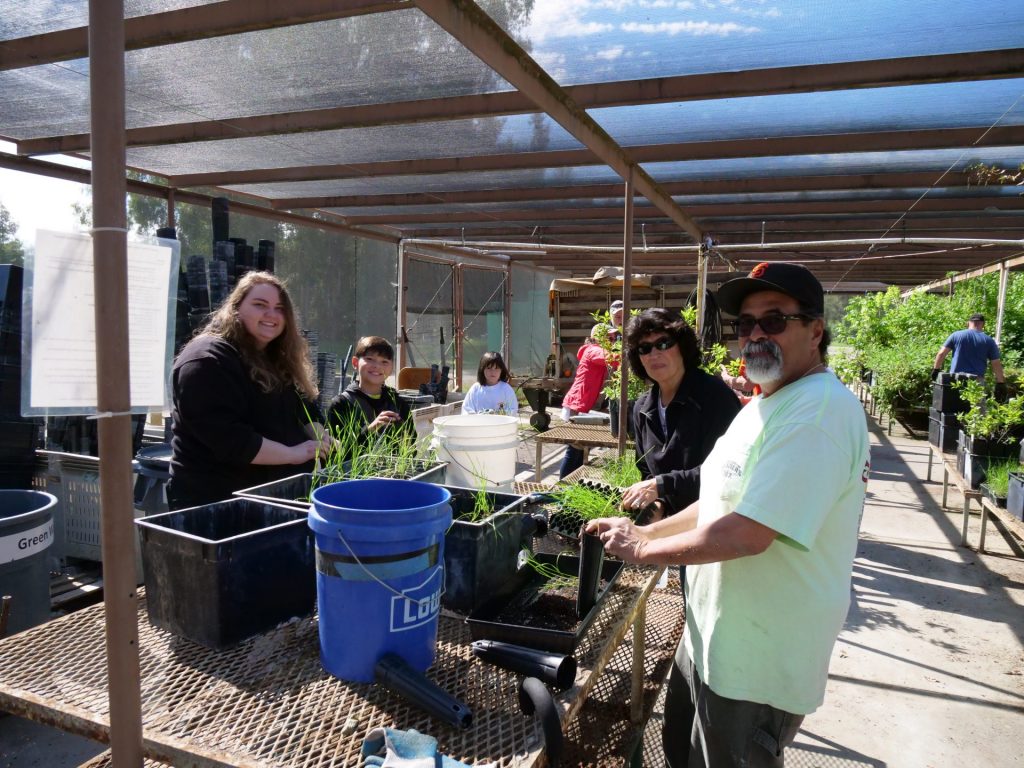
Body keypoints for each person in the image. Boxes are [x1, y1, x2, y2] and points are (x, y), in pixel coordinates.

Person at [586, 262, 869, 768]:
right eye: (746, 323)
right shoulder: (764, 404)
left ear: (815, 331)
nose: (756, 334)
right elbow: (719, 500)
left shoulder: (818, 412)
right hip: (711, 638)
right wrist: (644, 530)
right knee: (682, 750)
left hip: (758, 662)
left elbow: (748, 532)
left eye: (774, 319)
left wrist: (646, 551)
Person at [168, 271, 331, 509]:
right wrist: (294, 453)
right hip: (216, 505)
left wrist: (319, 436)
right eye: (260, 304)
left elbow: (302, 406)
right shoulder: (206, 360)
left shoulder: (273, 357)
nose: (271, 314)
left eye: (279, 308)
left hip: (268, 499)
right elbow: (231, 440)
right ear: (235, 308)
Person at [619, 308, 741, 519]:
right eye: (644, 348)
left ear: (682, 346)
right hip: (667, 521)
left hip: (714, 519)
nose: (654, 354)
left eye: (663, 343)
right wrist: (658, 505)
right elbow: (646, 471)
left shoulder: (715, 397)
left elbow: (727, 472)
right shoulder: (642, 408)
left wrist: (661, 486)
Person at [327, 335, 415, 455]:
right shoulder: (341, 404)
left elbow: (411, 447)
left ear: (392, 367)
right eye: (370, 359)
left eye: (384, 362)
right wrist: (371, 429)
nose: (377, 366)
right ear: (355, 362)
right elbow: (337, 453)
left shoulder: (398, 403)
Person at [558, 325, 610, 478]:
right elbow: (612, 358)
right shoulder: (593, 350)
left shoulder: (592, 349)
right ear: (597, 338)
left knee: (580, 450)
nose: (612, 340)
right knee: (574, 450)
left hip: (580, 405)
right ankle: (563, 485)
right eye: (609, 337)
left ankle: (572, 484)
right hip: (577, 405)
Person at [932, 313, 1006, 398]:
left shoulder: (956, 335)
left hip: (956, 379)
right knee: (975, 405)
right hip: (976, 382)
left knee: (953, 405)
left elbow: (941, 353)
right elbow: (996, 363)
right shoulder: (989, 341)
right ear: (983, 324)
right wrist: (1000, 383)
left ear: (968, 323)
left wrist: (936, 370)